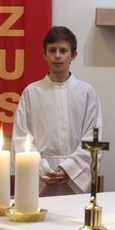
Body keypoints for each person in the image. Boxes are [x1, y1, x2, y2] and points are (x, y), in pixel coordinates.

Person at [12, 26, 103, 196]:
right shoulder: (31, 92)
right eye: (52, 50)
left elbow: (94, 137)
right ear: (44, 54)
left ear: (73, 55)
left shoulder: (86, 92)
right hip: (40, 178)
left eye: (63, 50)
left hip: (75, 178)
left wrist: (68, 169)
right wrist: (42, 169)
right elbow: (21, 137)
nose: (57, 55)